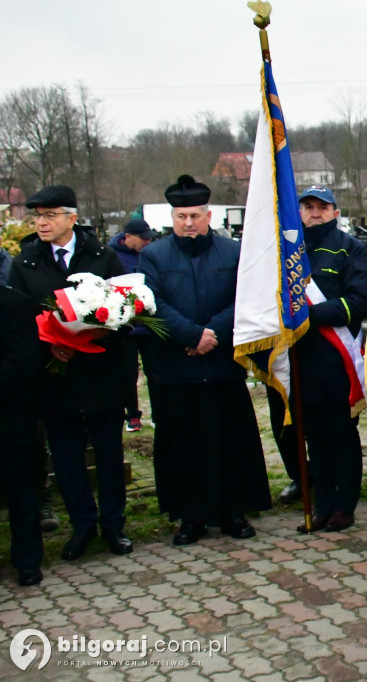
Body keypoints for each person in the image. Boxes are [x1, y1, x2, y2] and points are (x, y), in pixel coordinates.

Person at [139, 175, 271, 545]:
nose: (189, 223)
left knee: (231, 442)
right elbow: (152, 303)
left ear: (208, 215)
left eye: (195, 215)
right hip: (178, 368)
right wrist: (190, 335)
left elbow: (245, 298)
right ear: (172, 218)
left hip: (222, 364)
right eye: (181, 217)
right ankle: (191, 517)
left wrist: (211, 333)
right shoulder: (153, 255)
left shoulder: (232, 253)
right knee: (185, 447)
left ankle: (235, 512)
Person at [8, 185, 133, 561]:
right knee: (66, 459)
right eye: (37, 216)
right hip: (55, 375)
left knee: (109, 455)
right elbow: (18, 317)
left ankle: (114, 526)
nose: (41, 222)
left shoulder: (102, 255)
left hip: (101, 373)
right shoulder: (25, 262)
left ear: (71, 218)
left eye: (50, 215)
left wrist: (96, 333)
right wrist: (50, 344)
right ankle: (82, 526)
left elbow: (123, 310)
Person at [267, 184, 367, 533]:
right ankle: (323, 503)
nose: (315, 212)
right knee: (315, 437)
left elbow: (358, 301)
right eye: (308, 206)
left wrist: (308, 316)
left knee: (342, 436)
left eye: (322, 207)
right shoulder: (288, 252)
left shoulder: (351, 249)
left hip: (336, 360)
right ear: (299, 212)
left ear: (334, 212)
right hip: (300, 359)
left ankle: (345, 505)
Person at [0, 285, 45, 585]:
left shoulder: (14, 303)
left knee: (22, 492)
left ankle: (27, 560)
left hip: (11, 418)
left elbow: (24, 361)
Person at [109, 218, 160, 432]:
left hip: (149, 324)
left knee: (156, 370)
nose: (147, 243)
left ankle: (159, 412)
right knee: (128, 373)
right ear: (128, 237)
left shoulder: (150, 254)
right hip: (126, 326)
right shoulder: (112, 256)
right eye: (143, 239)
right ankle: (132, 414)